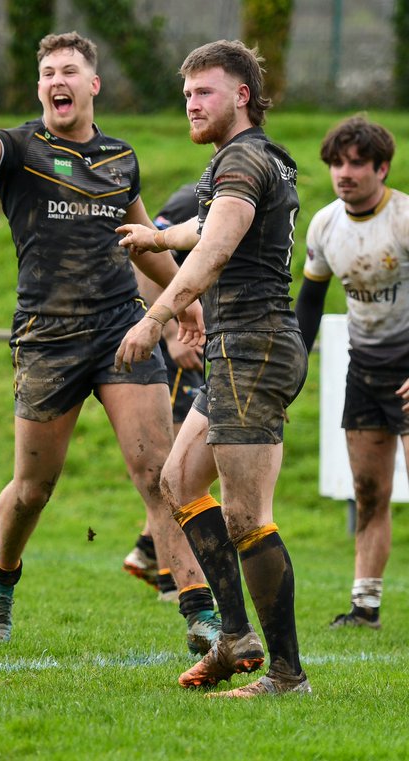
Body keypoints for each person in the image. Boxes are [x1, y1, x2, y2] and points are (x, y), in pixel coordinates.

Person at [0, 34, 212, 651]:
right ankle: (2, 576)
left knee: (158, 474)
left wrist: (181, 302)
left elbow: (140, 240)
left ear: (93, 85)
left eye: (70, 71)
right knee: (33, 491)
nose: (58, 80)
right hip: (47, 338)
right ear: (41, 89)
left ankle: (200, 612)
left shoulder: (120, 159)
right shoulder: (21, 149)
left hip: (121, 331)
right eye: (48, 72)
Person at [115, 40, 309, 697]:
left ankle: (286, 674)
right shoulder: (249, 161)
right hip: (240, 345)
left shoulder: (243, 157)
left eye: (205, 91)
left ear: (243, 96)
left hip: (254, 344)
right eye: (187, 92)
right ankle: (233, 635)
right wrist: (159, 237)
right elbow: (210, 227)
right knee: (177, 479)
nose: (191, 103)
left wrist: (157, 316)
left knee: (246, 514)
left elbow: (218, 247)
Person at [294, 115, 409, 631]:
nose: (345, 173)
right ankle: (365, 608)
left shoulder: (404, 218)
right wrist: (293, 364)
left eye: (357, 163)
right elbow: (311, 301)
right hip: (364, 370)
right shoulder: (324, 224)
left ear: (382, 168)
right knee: (368, 493)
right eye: (337, 163)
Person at [123, 184, 209, 601]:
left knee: (185, 461)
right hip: (176, 342)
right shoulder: (192, 197)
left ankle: (145, 553)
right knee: (176, 461)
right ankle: (168, 576)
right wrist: (173, 331)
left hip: (201, 337)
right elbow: (143, 258)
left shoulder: (243, 186)